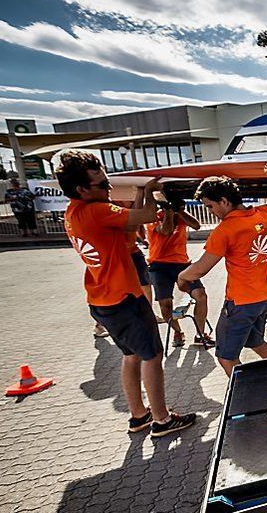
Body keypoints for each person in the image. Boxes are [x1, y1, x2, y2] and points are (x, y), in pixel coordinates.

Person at [56, 150, 196, 438]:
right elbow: (145, 216)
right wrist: (144, 189)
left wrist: (143, 195)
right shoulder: (97, 210)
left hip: (102, 300)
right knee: (153, 356)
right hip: (125, 299)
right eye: (102, 185)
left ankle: (138, 415)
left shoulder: (74, 212)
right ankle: (162, 419)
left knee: (131, 356)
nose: (108, 188)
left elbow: (132, 224)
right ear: (82, 189)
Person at [177, 175, 267, 376]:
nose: (211, 212)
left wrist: (182, 276)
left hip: (241, 304)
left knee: (226, 357)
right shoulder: (265, 213)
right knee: (256, 342)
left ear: (224, 201)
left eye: (210, 206)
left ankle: (252, 397)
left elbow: (201, 269)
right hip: (264, 299)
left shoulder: (225, 229)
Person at [145, 197, 214, 348]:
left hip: (182, 264)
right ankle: (177, 331)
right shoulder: (154, 218)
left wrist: (180, 210)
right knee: (165, 304)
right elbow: (166, 230)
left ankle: (200, 335)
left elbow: (196, 225)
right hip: (159, 266)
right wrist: (169, 211)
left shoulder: (180, 215)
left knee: (200, 295)